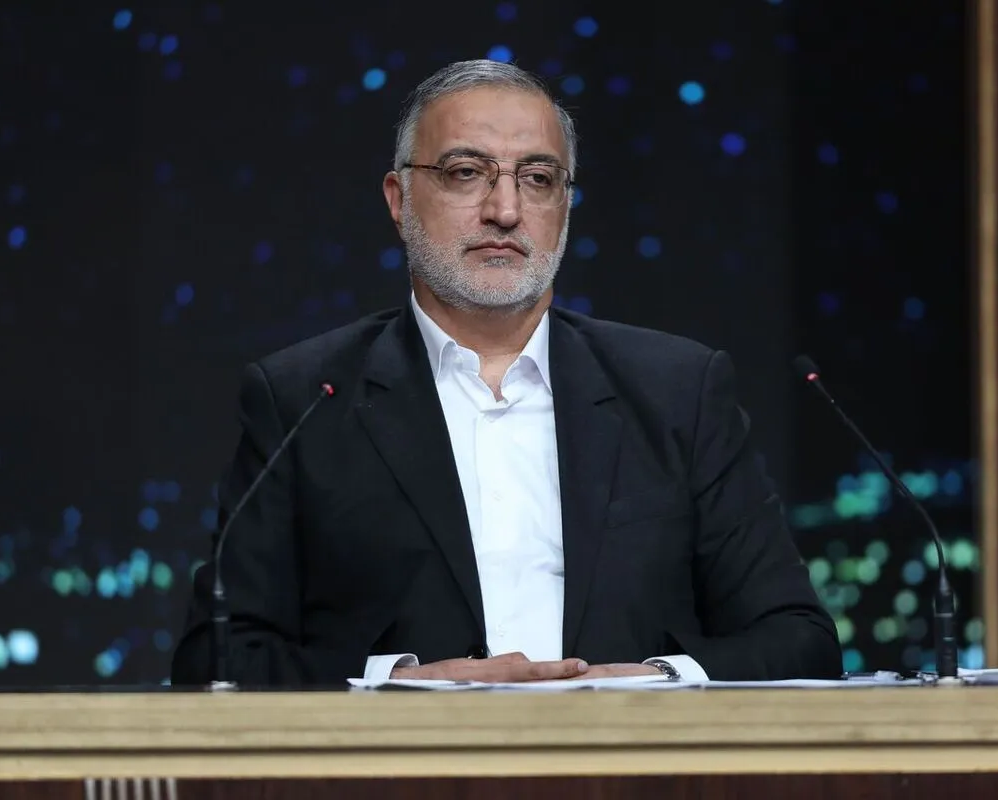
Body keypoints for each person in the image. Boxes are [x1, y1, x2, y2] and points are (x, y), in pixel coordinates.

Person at [170, 59, 842, 687]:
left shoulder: (678, 391)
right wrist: (399, 688)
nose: (505, 210)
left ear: (565, 206)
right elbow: (215, 659)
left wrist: (649, 682)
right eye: (467, 172)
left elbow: (799, 640)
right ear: (400, 198)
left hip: (625, 758)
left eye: (538, 178)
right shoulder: (304, 399)